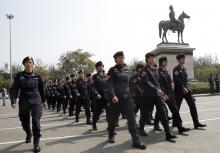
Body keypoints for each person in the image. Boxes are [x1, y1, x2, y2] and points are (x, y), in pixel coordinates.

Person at [105, 51, 146, 150]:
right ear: (115, 59)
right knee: (113, 119)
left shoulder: (128, 70)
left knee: (132, 120)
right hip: (116, 99)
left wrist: (133, 96)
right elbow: (109, 84)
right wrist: (113, 95)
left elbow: (131, 84)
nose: (121, 59)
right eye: (118, 57)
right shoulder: (112, 70)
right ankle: (111, 134)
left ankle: (136, 141)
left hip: (127, 99)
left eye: (122, 57)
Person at [9, 56, 46, 152]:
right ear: (24, 64)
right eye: (27, 62)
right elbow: (14, 89)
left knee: (35, 120)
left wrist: (44, 100)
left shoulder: (37, 75)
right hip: (24, 98)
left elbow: (42, 89)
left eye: (30, 62)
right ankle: (28, 133)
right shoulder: (19, 75)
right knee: (23, 120)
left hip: (35, 98)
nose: (29, 64)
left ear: (33, 64)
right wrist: (13, 100)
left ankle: (36, 143)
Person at [139, 53, 177, 140]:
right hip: (148, 95)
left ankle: (168, 133)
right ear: (147, 59)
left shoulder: (155, 70)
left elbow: (159, 83)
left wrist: (164, 94)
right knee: (146, 113)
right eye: (150, 58)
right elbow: (146, 82)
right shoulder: (144, 70)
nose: (152, 59)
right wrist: (156, 89)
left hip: (158, 95)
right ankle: (141, 129)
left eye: (153, 57)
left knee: (163, 112)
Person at [156, 56, 190, 134]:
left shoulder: (167, 71)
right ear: (161, 63)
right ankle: (156, 124)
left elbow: (169, 83)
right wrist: (164, 94)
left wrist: (171, 93)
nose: (166, 63)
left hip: (170, 94)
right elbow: (160, 84)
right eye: (164, 61)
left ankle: (180, 127)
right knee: (161, 111)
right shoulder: (158, 72)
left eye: (166, 61)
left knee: (175, 110)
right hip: (163, 94)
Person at [173, 53, 207, 129]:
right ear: (178, 60)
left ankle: (196, 123)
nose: (184, 60)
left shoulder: (184, 69)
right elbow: (177, 80)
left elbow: (185, 80)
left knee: (192, 105)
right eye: (182, 58)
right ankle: (175, 122)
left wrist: (188, 87)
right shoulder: (176, 69)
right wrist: (183, 88)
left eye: (184, 58)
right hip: (179, 91)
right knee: (176, 108)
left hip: (186, 91)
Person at [91, 61, 108, 130]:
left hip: (106, 97)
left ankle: (110, 127)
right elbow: (92, 87)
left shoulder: (106, 76)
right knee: (97, 113)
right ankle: (94, 123)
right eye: (99, 66)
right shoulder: (94, 77)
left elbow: (109, 85)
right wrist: (96, 94)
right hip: (98, 97)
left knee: (109, 112)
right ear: (97, 68)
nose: (101, 67)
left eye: (102, 66)